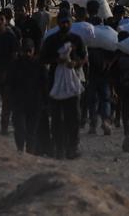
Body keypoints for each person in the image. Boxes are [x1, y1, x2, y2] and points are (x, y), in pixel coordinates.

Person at [39, 10, 87, 159]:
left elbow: (84, 58)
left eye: (67, 22)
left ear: (71, 23)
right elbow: (42, 59)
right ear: (58, 23)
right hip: (55, 81)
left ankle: (73, 147)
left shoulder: (76, 39)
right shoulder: (51, 40)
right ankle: (58, 147)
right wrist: (56, 60)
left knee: (74, 116)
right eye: (62, 22)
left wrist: (75, 63)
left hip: (73, 81)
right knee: (56, 118)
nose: (65, 25)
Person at [7, 38, 48, 153]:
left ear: (33, 50)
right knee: (20, 129)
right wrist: (10, 101)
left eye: (29, 51)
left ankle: (30, 153)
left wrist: (46, 102)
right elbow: (9, 84)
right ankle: (20, 150)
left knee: (32, 131)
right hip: (19, 103)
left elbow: (45, 85)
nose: (28, 53)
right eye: (25, 51)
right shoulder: (15, 65)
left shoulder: (39, 65)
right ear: (21, 51)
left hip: (35, 103)